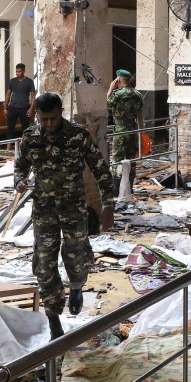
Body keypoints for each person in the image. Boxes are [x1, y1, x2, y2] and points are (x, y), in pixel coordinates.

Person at [14, 93, 115, 338]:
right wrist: (19, 181)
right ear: (37, 114)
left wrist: (108, 206)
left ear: (61, 111)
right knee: (44, 265)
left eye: (54, 118)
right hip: (44, 212)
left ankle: (77, 287)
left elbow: (100, 168)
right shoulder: (30, 138)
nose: (49, 124)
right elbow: (20, 165)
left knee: (76, 257)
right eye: (44, 119)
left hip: (74, 210)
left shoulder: (78, 135)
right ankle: (53, 319)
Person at [106, 70, 144, 192]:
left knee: (117, 159)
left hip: (120, 132)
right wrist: (141, 132)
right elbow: (139, 115)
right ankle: (129, 188)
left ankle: (116, 189)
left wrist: (111, 89)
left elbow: (107, 104)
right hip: (132, 131)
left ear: (118, 80)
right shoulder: (137, 94)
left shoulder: (117, 94)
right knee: (131, 160)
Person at [4, 63, 36, 146]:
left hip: (24, 108)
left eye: (19, 71)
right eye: (16, 71)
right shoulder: (12, 81)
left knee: (26, 128)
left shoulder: (29, 82)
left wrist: (31, 108)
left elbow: (33, 96)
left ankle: (26, 146)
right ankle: (8, 148)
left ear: (24, 71)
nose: (18, 73)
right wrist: (5, 108)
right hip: (13, 107)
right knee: (10, 128)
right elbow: (8, 94)